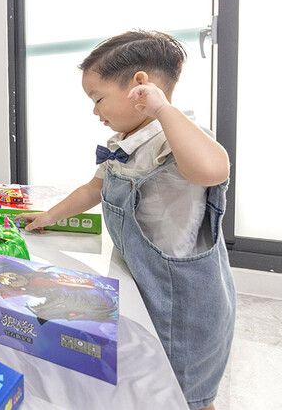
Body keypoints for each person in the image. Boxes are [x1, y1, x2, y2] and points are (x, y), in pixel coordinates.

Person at [16, 30, 234, 410]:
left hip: (182, 304)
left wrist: (163, 109)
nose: (95, 111)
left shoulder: (175, 137)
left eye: (98, 99)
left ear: (140, 89)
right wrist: (49, 216)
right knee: (149, 383)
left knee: (186, 395)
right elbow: (92, 188)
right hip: (142, 285)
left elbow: (213, 169)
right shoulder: (123, 144)